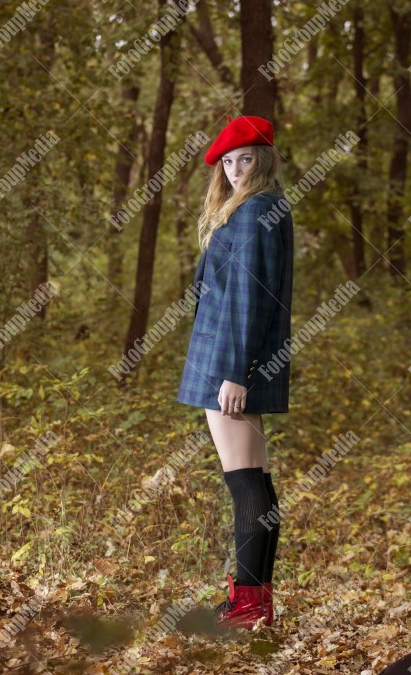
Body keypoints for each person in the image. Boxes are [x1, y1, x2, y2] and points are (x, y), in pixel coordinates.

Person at [176, 115, 294, 629]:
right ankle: (255, 604)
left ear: (263, 158)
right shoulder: (263, 209)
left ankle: (247, 607)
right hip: (232, 358)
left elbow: (248, 300)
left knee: (245, 485)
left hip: (227, 361)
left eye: (245, 158)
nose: (236, 169)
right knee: (256, 483)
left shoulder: (254, 213)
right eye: (228, 161)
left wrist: (234, 373)